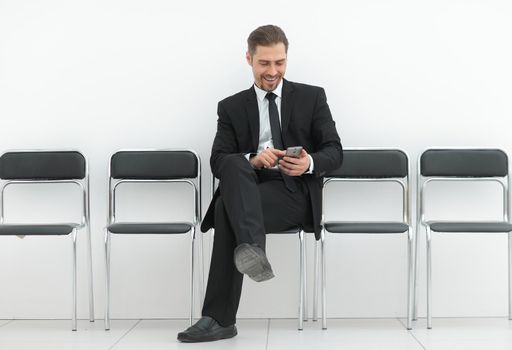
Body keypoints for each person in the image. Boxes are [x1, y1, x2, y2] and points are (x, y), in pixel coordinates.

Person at [177, 24, 343, 343]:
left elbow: (335, 152)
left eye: (279, 62)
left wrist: (308, 163)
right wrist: (253, 159)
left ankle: (218, 318)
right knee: (234, 165)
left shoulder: (312, 97)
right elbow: (217, 161)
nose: (272, 71)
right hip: (249, 187)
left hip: (293, 193)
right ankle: (252, 246)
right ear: (249, 59)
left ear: (286, 59)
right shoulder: (231, 107)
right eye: (264, 63)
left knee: (228, 205)